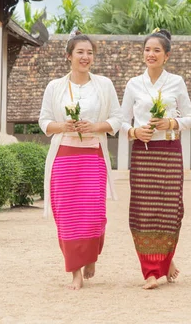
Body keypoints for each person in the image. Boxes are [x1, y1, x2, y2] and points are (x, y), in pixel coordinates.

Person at [39, 32, 122, 290]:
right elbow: (44, 122)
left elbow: (117, 119)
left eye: (89, 53)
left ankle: (91, 256)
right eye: (80, 52)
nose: (85, 57)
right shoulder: (55, 87)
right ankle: (74, 270)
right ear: (69, 56)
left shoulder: (104, 85)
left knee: (95, 214)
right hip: (64, 157)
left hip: (93, 156)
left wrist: (96, 126)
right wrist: (63, 125)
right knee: (67, 215)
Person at [121, 28, 191, 290]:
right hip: (144, 153)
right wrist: (133, 131)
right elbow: (120, 119)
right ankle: (151, 271)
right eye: (147, 49)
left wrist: (171, 122)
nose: (150, 54)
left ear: (166, 56)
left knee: (171, 210)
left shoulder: (176, 82)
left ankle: (166, 260)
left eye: (156, 50)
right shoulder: (133, 84)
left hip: (169, 152)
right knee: (143, 211)